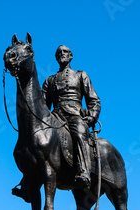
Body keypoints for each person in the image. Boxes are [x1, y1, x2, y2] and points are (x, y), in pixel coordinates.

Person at [12, 44, 100, 200]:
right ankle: (26, 183)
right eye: (59, 53)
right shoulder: (50, 80)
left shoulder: (81, 75)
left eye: (65, 52)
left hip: (75, 115)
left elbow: (94, 100)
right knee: (36, 143)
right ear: (56, 57)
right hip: (56, 117)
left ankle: (84, 171)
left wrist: (91, 116)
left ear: (71, 56)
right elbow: (42, 106)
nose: (62, 54)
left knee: (80, 132)